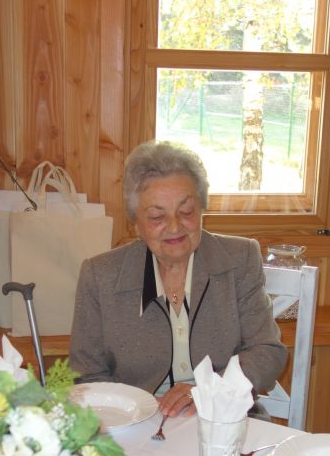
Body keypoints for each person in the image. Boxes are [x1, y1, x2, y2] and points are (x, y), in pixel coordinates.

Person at [69, 140, 287, 417]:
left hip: (225, 417)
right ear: (136, 224)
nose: (174, 227)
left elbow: (267, 351)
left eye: (186, 212)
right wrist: (132, 413)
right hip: (135, 424)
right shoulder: (100, 275)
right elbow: (88, 376)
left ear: (202, 208)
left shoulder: (239, 259)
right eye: (156, 216)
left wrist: (211, 391)